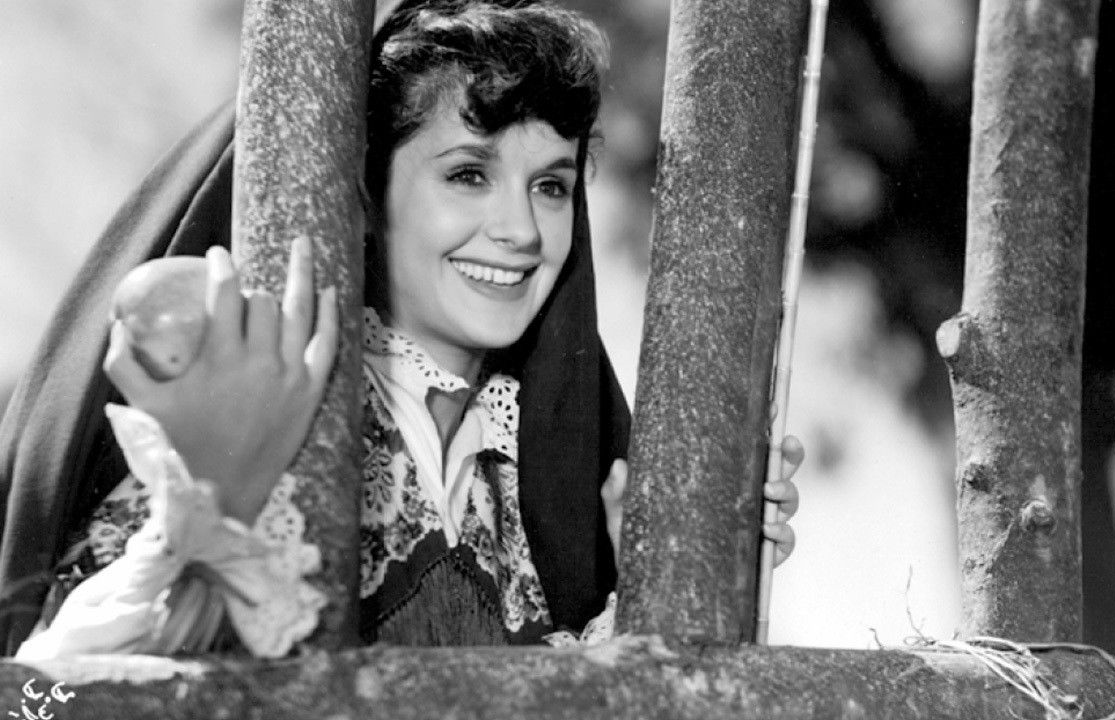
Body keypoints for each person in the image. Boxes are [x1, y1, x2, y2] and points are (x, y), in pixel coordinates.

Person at [1, 0, 801, 657]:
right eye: (469, 174)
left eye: (551, 186)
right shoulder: (249, 406)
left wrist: (656, 587)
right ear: (368, 196)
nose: (521, 230)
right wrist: (216, 507)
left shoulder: (551, 477)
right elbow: (45, 696)